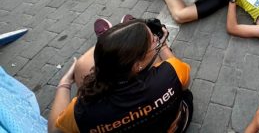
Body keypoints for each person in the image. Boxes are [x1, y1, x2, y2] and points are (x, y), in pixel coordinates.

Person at [48, 19, 193, 133]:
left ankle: (111, 42)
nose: (156, 39)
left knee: (81, 65)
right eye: (153, 40)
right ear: (137, 65)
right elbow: (184, 86)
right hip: (174, 125)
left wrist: (65, 83)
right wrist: (163, 46)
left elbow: (55, 130)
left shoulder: (82, 112)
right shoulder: (172, 71)